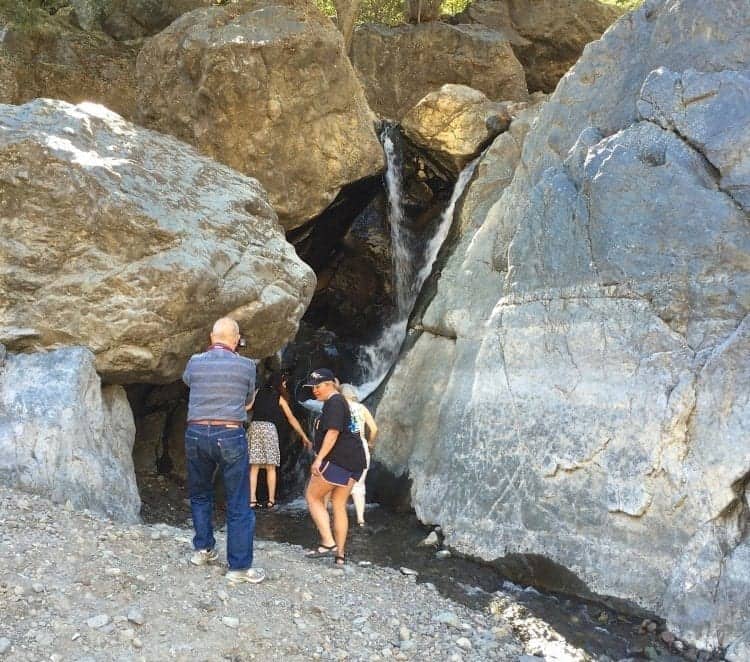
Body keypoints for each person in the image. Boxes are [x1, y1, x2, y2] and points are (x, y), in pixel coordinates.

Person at [182, 317, 265, 585]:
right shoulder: (246, 366)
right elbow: (249, 402)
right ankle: (239, 567)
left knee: (199, 494)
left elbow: (189, 382)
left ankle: (203, 549)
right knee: (239, 501)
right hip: (229, 433)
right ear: (236, 339)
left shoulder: (194, 362)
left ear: (211, 337)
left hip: (195, 433)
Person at [303, 369, 366, 565]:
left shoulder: (334, 402)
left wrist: (319, 458)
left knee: (313, 497)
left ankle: (328, 542)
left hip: (338, 459)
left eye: (318, 386)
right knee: (338, 504)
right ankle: (340, 555)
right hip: (354, 461)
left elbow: (333, 432)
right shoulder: (339, 402)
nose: (315, 390)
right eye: (313, 387)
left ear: (330, 384)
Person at [247, 371, 312, 509]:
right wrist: (304, 436)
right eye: (284, 382)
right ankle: (271, 500)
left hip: (254, 427)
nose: (285, 385)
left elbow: (247, 407)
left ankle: (252, 500)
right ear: (279, 382)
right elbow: (291, 418)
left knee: (254, 467)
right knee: (271, 467)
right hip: (270, 430)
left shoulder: (258, 391)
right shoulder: (280, 398)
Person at [338, 384, 378, 527]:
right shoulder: (361, 408)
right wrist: (370, 443)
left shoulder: (339, 408)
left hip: (342, 446)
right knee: (359, 485)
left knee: (339, 482)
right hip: (360, 445)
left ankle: (339, 519)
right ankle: (361, 519)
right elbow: (374, 429)